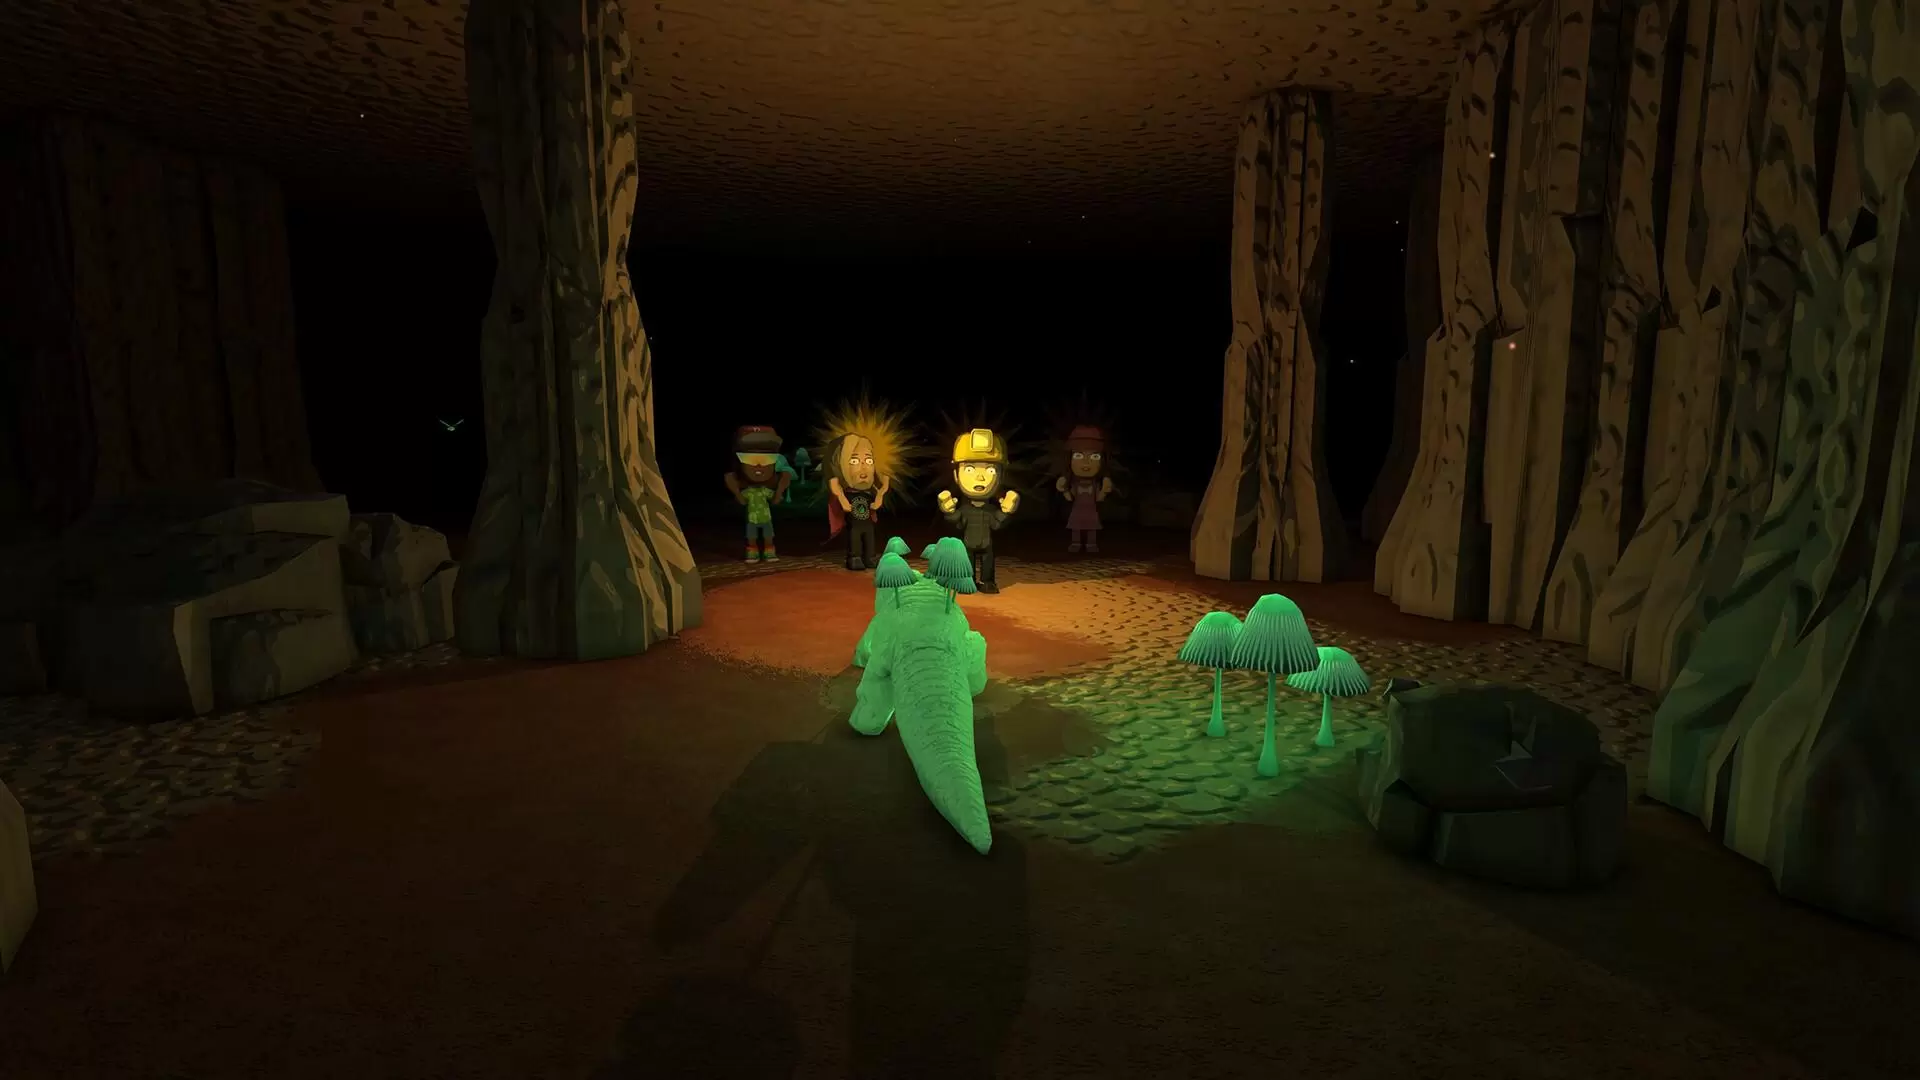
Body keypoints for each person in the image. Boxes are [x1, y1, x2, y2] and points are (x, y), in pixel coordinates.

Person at [937, 428, 1019, 593]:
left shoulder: (990, 510)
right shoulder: (965, 510)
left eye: (990, 470)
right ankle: (969, 581)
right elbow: (958, 524)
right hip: (968, 544)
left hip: (987, 544)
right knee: (968, 563)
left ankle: (987, 582)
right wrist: (949, 512)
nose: (980, 477)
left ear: (1002, 475)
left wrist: (1006, 512)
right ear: (956, 474)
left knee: (988, 563)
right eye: (969, 469)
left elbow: (996, 524)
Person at [724, 425, 791, 562]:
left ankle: (769, 551)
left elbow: (775, 498)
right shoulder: (747, 491)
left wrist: (779, 492)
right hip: (752, 520)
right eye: (749, 459)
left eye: (767, 459)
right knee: (751, 536)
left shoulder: (766, 490)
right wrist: (737, 493)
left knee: (768, 535)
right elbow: (741, 499)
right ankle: (752, 551)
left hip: (766, 520)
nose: (759, 465)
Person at [825, 431, 890, 570]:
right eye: (854, 461)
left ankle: (870, 557)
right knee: (854, 536)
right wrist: (842, 498)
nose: (863, 467)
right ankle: (854, 557)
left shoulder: (869, 491)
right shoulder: (847, 492)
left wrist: (881, 494)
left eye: (869, 461)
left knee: (869, 536)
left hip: (867, 522)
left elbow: (877, 501)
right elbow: (840, 496)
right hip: (854, 522)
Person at [1054, 424, 1113, 552]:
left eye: (1094, 457)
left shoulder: (1095, 484)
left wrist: (1104, 490)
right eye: (1078, 456)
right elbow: (1070, 497)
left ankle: (1091, 544)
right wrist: (1064, 489)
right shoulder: (1075, 483)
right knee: (1076, 527)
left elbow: (1099, 498)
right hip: (1077, 510)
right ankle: (1076, 543)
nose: (1086, 462)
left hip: (1091, 511)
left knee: (1092, 527)